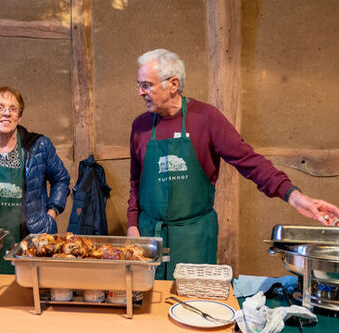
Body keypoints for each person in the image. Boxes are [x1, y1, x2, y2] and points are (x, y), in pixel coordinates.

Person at [127, 49, 339, 280]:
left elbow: (250, 162)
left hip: (194, 238)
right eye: (139, 84)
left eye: (147, 85)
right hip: (149, 237)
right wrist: (132, 225)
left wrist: (296, 197)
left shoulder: (206, 118)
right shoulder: (140, 127)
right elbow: (136, 183)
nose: (140, 92)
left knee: (192, 306)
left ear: (173, 84)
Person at [0, 86, 70, 274]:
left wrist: (52, 213)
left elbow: (61, 179)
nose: (6, 114)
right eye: (0, 108)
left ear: (19, 117)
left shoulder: (39, 146)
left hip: (33, 237)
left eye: (13, 109)